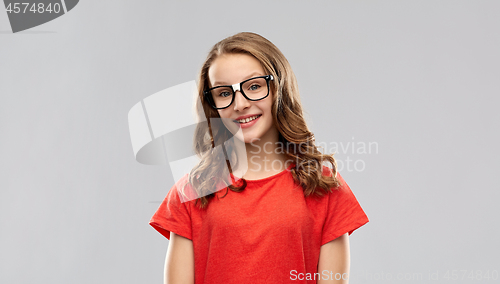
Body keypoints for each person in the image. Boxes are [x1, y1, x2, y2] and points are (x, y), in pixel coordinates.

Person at [149, 32, 369, 284]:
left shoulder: (323, 186)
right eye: (223, 93)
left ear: (279, 88)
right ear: (213, 106)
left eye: (254, 86)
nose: (240, 104)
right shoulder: (193, 189)